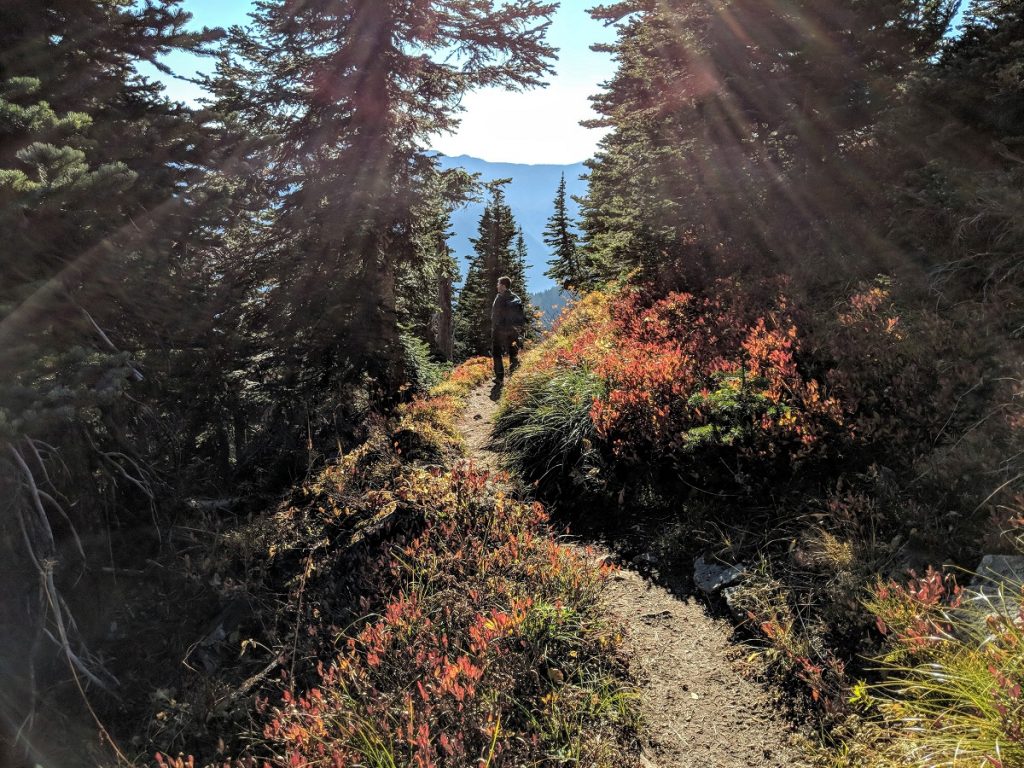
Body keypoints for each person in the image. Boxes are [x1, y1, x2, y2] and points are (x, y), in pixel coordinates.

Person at [491, 276, 524, 384]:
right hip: (513, 330)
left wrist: (495, 327)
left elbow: (495, 315)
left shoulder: (500, 297)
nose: (497, 286)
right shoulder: (516, 298)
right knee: (513, 352)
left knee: (497, 353)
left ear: (503, 286)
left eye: (498, 284)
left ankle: (499, 378)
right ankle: (514, 378)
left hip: (500, 330)